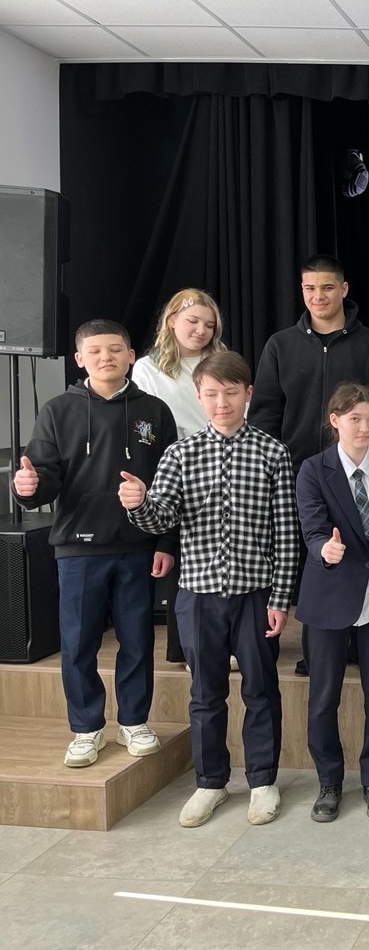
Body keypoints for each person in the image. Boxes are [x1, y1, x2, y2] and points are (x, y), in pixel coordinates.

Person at [121, 350, 300, 829]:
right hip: (197, 594)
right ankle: (211, 782)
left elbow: (286, 533)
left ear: (248, 394)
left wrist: (280, 598)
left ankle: (262, 781)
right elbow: (161, 518)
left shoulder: (272, 452)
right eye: (212, 394)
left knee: (261, 689)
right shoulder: (179, 454)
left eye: (231, 393)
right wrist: (139, 503)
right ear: (199, 397)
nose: (223, 403)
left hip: (255, 594)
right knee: (205, 692)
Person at [13, 319, 177, 768]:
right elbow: (42, 477)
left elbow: (170, 484)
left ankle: (134, 721)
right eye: (96, 350)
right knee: (79, 642)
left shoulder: (154, 411)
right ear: (80, 358)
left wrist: (166, 541)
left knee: (137, 640)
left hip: (138, 546)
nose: (107, 357)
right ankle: (86, 729)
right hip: (78, 549)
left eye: (116, 349)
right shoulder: (58, 410)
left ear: (131, 356)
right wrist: (27, 488)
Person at [249, 253, 369, 676]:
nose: (318, 296)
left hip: (362, 474)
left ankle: (360, 643)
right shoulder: (280, 345)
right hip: (302, 474)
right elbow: (265, 414)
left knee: (362, 555)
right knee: (313, 558)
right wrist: (271, 471)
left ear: (344, 289)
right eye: (310, 288)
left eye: (327, 287)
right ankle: (318, 648)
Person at [295, 383, 369, 823]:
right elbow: (312, 529)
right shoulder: (313, 469)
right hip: (329, 597)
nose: (364, 427)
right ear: (335, 421)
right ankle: (329, 782)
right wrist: (323, 550)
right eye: (354, 419)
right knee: (323, 697)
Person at [132, 288, 230, 666]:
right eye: (192, 321)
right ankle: (187, 648)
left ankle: (224, 642)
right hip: (173, 467)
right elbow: (145, 425)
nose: (201, 330)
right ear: (171, 321)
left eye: (209, 324)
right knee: (182, 563)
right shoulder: (147, 368)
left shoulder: (222, 361)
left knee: (220, 558)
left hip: (222, 464)